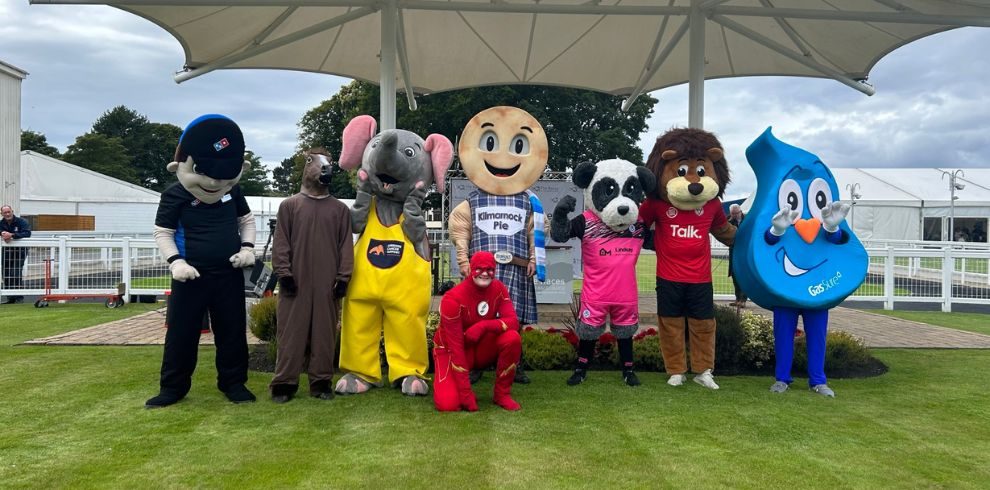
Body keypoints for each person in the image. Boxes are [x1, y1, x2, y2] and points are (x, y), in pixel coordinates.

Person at [145, 115, 257, 408]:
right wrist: (176, 263)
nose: (213, 182)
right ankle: (173, 387)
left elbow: (246, 220)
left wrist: (247, 248)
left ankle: (234, 383)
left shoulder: (233, 191)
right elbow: (163, 232)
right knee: (181, 333)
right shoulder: (175, 194)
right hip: (190, 275)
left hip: (227, 273)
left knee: (232, 331)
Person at [269, 148, 354, 403]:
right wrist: (284, 274)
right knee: (290, 334)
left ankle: (320, 382)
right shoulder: (289, 206)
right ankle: (284, 383)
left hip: (328, 284)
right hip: (295, 282)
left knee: (325, 335)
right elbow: (281, 242)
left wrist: (343, 278)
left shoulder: (339, 210)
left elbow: (345, 247)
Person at [433, 251, 522, 411]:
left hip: (478, 344)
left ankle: (502, 394)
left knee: (512, 338)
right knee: (448, 405)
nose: (485, 274)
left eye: (490, 270)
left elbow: (513, 322)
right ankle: (461, 391)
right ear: (471, 269)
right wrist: (466, 394)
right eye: (479, 269)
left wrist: (483, 326)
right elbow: (456, 348)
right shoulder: (452, 299)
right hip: (451, 349)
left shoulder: (499, 288)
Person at [1, 205, 32, 304]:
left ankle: (19, 297)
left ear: (12, 211)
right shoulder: (1, 223)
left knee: (16, 272)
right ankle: (10, 297)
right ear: (2, 214)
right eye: (5, 212)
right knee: (5, 273)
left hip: (20, 251)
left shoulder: (21, 222)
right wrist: (2, 234)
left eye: (8, 212)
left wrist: (12, 235)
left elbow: (27, 233)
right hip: (6, 251)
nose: (7, 214)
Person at [727, 204, 747, 308]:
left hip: (745, 252)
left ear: (740, 211)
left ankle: (743, 300)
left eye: (736, 213)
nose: (734, 215)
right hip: (733, 250)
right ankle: (737, 299)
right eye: (732, 213)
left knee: (743, 275)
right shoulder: (729, 220)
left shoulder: (747, 220)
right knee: (734, 274)